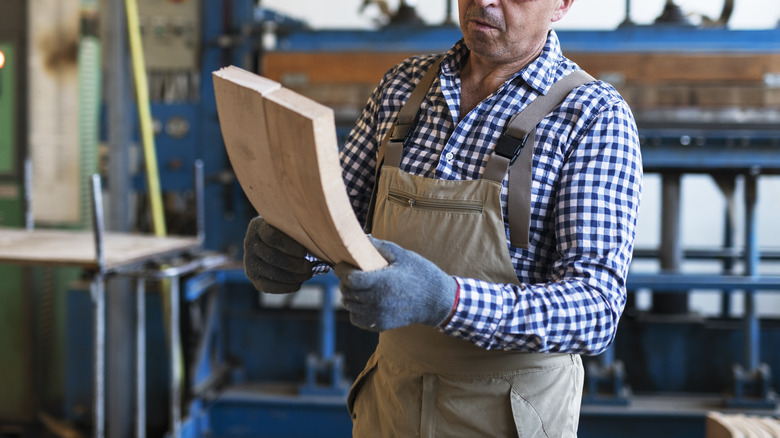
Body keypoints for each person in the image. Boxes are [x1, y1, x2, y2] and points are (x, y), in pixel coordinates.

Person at [243, 0, 642, 436]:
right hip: (391, 406)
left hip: (507, 414)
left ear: (561, 4)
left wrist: (446, 300)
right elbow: (339, 220)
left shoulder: (593, 117)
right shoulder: (402, 87)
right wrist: (293, 246)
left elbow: (595, 307)